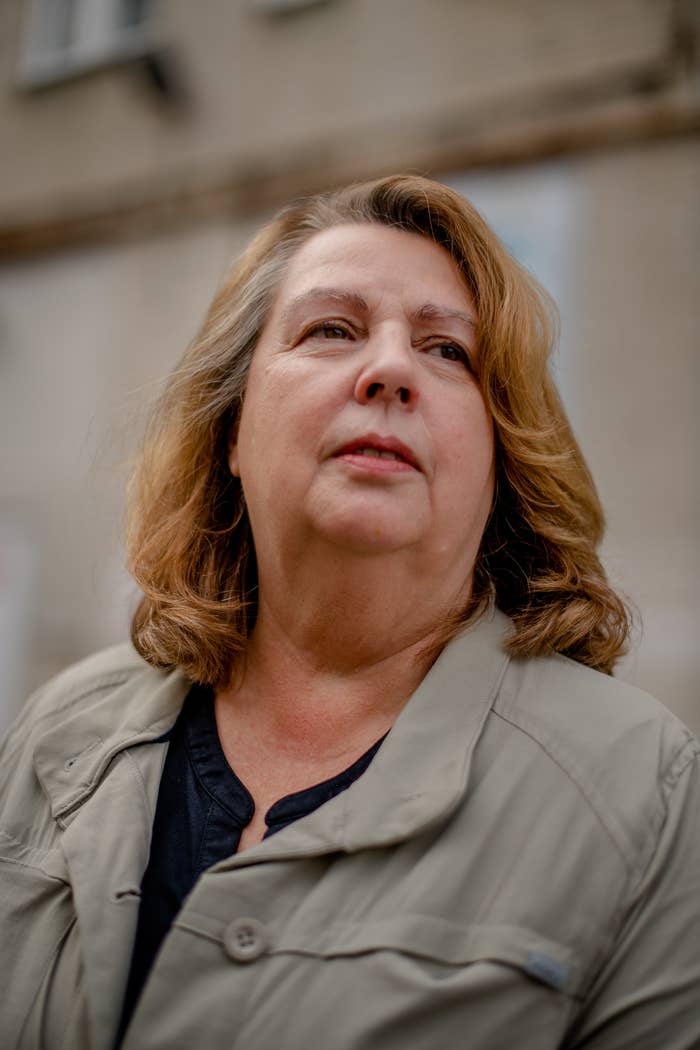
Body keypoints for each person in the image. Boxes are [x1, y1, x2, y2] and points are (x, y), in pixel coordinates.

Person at [1, 175, 698, 1050]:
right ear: (231, 429)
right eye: (331, 329)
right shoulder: (60, 731)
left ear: (500, 460)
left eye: (449, 351)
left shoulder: (646, 790)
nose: (392, 369)